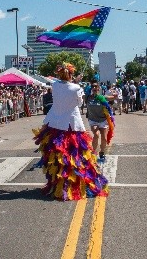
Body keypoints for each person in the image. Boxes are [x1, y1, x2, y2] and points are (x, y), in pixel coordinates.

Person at [33, 63, 108, 201]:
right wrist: (77, 85)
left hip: (55, 122)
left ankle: (58, 186)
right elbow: (79, 104)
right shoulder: (76, 88)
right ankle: (74, 184)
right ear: (71, 74)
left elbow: (63, 89)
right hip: (71, 124)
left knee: (58, 157)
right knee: (76, 156)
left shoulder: (55, 85)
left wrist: (75, 83)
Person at [85, 82, 115, 162]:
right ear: (91, 88)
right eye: (93, 86)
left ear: (98, 88)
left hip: (103, 120)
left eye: (96, 86)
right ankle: (93, 153)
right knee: (96, 134)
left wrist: (115, 94)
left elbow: (113, 97)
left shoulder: (103, 97)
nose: (94, 87)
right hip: (93, 120)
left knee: (104, 138)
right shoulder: (87, 97)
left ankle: (102, 152)